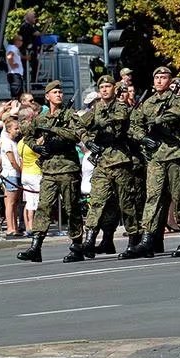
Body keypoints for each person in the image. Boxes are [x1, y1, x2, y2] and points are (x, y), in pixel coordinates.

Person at [125, 67, 180, 258]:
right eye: (157, 77)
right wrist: (143, 138)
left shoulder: (176, 100)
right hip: (156, 157)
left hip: (175, 154)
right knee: (152, 197)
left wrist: (157, 120)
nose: (159, 81)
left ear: (169, 81)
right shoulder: (148, 103)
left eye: (163, 78)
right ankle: (147, 238)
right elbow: (135, 125)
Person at [17, 80, 83, 262]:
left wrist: (56, 130)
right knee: (43, 208)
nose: (59, 94)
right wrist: (36, 148)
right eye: (55, 92)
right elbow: (28, 136)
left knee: (72, 208)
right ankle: (35, 246)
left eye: (60, 92)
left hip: (68, 168)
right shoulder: (40, 118)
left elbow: (76, 135)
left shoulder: (70, 114)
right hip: (48, 170)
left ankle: (77, 246)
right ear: (47, 96)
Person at [75, 74, 139, 262]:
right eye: (101, 87)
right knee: (97, 202)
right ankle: (89, 240)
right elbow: (78, 125)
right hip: (102, 163)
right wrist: (87, 140)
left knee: (126, 203)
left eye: (108, 86)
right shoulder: (95, 109)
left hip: (120, 162)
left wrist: (95, 127)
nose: (104, 89)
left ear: (114, 89)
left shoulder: (121, 108)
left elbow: (115, 123)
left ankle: (133, 240)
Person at [0, 119, 22, 237]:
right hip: (11, 174)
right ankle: (10, 227)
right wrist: (20, 170)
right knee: (10, 202)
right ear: (8, 129)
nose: (18, 131)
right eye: (15, 128)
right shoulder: (7, 142)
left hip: (15, 174)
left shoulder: (14, 142)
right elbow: (12, 161)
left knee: (15, 203)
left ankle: (15, 226)